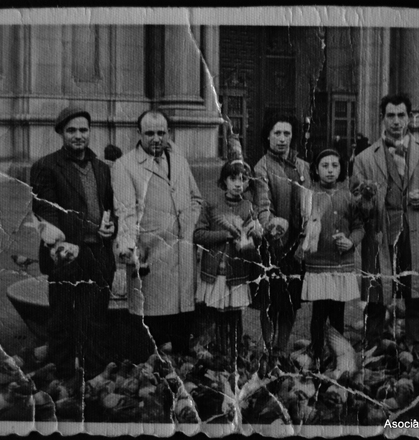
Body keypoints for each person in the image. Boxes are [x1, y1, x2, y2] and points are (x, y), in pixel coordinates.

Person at [351, 94, 419, 352]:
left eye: (401, 115)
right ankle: (372, 346)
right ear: (382, 118)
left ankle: (415, 346)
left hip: (417, 231)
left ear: (409, 117)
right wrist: (365, 198)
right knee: (376, 292)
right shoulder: (365, 158)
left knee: (416, 291)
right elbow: (354, 200)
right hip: (380, 233)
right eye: (391, 116)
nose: (396, 121)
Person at [30, 106, 116, 380]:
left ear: (90, 132)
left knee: (95, 319)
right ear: (60, 133)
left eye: (83, 130)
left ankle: (95, 378)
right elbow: (45, 209)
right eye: (72, 130)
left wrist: (110, 226)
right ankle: (63, 378)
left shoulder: (102, 168)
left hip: (98, 254)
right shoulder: (46, 166)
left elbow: (110, 207)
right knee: (62, 319)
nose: (79, 136)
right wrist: (58, 241)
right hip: (65, 255)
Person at [112, 109, 203, 362]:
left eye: (161, 133)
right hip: (152, 257)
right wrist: (130, 250)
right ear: (138, 133)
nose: (156, 138)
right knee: (153, 333)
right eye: (150, 133)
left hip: (183, 255)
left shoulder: (180, 161)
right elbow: (126, 213)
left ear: (169, 133)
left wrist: (189, 226)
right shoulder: (125, 166)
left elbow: (196, 199)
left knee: (183, 329)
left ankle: (184, 381)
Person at [296, 149, 365, 364]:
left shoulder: (348, 197)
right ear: (316, 170)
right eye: (324, 166)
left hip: (341, 264)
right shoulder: (309, 195)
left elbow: (359, 227)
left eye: (334, 166)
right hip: (318, 264)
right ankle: (317, 352)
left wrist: (351, 241)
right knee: (319, 312)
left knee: (337, 313)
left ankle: (337, 355)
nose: (330, 170)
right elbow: (303, 226)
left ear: (341, 169)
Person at [193, 160, 262, 365]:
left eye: (243, 179)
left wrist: (254, 237)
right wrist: (224, 235)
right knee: (218, 315)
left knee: (235, 315)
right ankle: (221, 353)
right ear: (224, 181)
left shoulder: (249, 208)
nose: (238, 184)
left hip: (237, 271)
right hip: (216, 271)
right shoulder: (212, 204)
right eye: (233, 179)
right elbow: (198, 234)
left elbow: (256, 240)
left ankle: (235, 353)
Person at [253, 113, 311, 358]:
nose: (282, 139)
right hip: (273, 246)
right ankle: (267, 346)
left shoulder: (303, 166)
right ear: (268, 136)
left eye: (287, 133)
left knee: (291, 301)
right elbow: (263, 206)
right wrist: (274, 236)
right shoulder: (262, 167)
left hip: (298, 246)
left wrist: (305, 240)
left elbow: (311, 205)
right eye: (277, 133)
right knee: (270, 301)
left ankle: (281, 349)